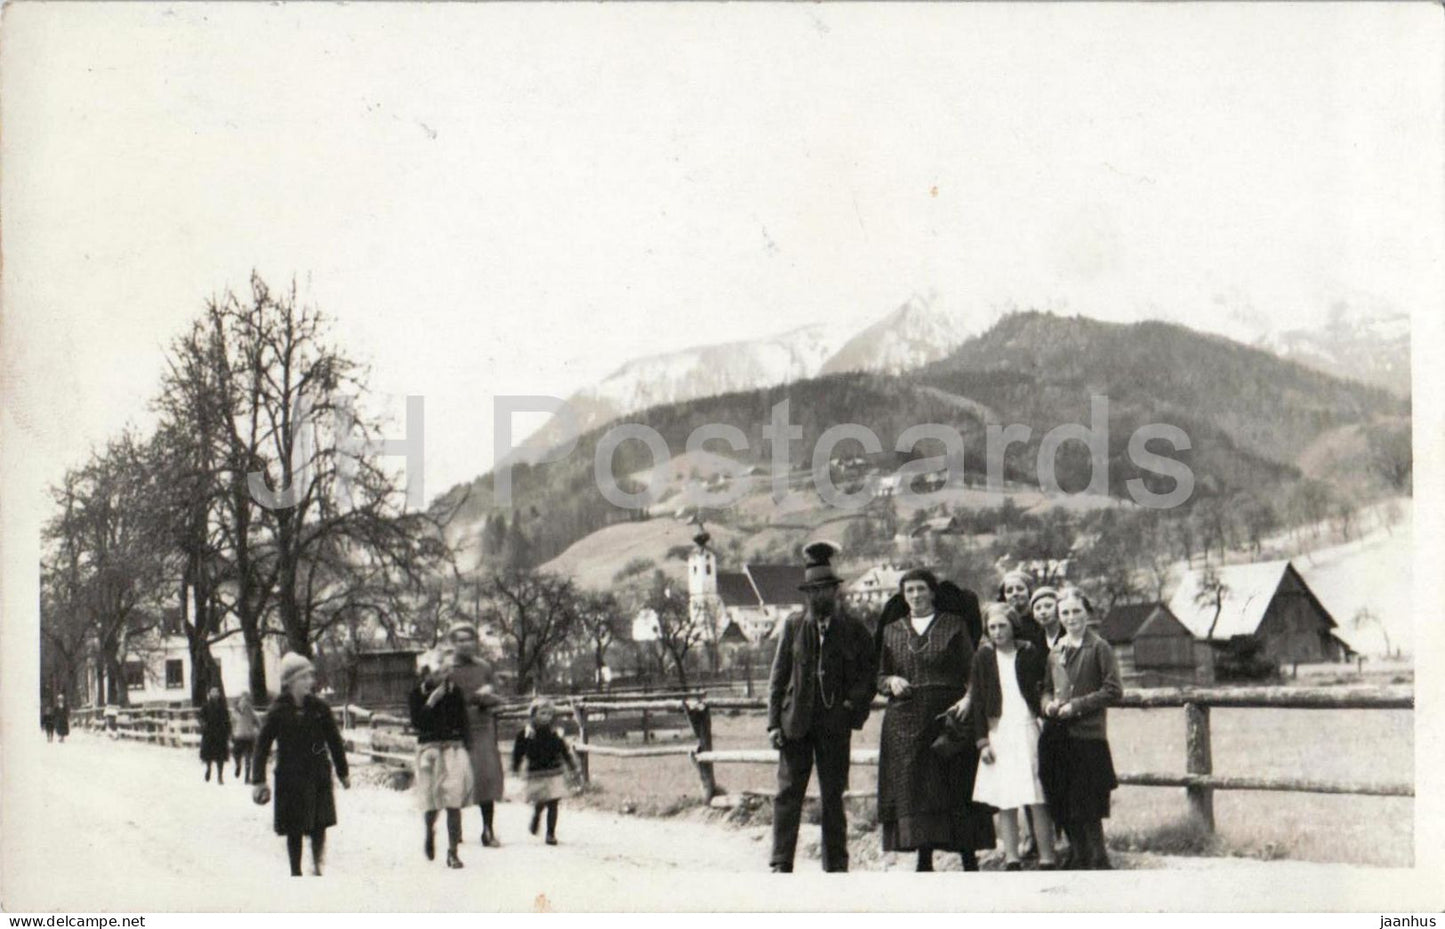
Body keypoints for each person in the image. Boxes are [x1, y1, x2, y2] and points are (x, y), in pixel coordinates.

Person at [767, 541, 876, 873]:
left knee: (832, 797)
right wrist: (773, 724)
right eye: (813, 590)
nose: (819, 596)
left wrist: (851, 706)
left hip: (834, 727)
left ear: (835, 591)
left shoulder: (854, 629)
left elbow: (868, 675)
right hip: (795, 724)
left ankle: (836, 866)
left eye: (824, 589)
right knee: (788, 794)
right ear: (807, 594)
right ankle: (781, 862)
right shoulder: (793, 626)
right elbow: (778, 676)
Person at [877, 568, 994, 871]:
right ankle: (924, 858)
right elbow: (879, 675)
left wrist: (968, 699)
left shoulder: (954, 625)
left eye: (921, 589)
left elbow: (973, 669)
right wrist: (891, 681)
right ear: (903, 596)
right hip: (906, 722)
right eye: (910, 590)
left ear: (932, 592)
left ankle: (968, 857)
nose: (916, 595)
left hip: (949, 717)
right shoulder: (892, 630)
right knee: (917, 790)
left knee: (956, 785)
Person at [970, 602, 1057, 870]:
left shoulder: (1028, 653)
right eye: (992, 627)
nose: (997, 632)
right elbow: (978, 701)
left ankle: (1047, 857)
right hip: (999, 732)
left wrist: (1044, 713)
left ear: (1013, 626)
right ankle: (1012, 858)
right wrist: (982, 742)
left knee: (1037, 796)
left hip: (1028, 728)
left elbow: (1042, 687)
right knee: (1005, 799)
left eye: (1002, 626)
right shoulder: (983, 657)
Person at [1039, 589, 1122, 870]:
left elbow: (1113, 689)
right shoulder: (1056, 650)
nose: (1071, 617)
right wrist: (1048, 705)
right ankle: (1078, 855)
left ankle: (1098, 858)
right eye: (1065, 612)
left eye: (1076, 611)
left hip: (1087, 735)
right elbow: (1046, 689)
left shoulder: (1099, 647)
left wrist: (1077, 706)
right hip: (1058, 736)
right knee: (1063, 798)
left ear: (1087, 613)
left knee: (1089, 803)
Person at [251, 653, 351, 877]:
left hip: (317, 774)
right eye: (304, 677)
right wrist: (258, 780)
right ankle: (295, 872)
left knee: (319, 824)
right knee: (293, 828)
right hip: (290, 778)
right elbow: (262, 745)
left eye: (310, 677)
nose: (310, 681)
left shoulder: (319, 708)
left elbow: (334, 741)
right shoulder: (278, 710)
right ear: (291, 681)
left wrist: (343, 772)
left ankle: (316, 866)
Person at [410, 647, 473, 868]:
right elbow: (418, 723)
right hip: (429, 752)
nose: (442, 677)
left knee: (453, 800)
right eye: (437, 673)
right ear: (425, 673)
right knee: (431, 801)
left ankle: (453, 852)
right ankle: (429, 830)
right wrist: (431, 702)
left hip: (453, 750)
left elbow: (463, 722)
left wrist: (467, 747)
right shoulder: (416, 694)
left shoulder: (455, 692)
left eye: (446, 672)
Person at [447, 621, 505, 847]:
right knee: (456, 779)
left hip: (482, 729)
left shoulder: (484, 667)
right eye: (460, 640)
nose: (466, 644)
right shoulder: (447, 669)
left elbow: (497, 695)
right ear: (453, 643)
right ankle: (455, 829)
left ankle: (487, 830)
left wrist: (489, 697)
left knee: (486, 777)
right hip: (456, 731)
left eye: (470, 639)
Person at [512, 697, 579, 846]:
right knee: (541, 799)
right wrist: (516, 766)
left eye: (549, 714)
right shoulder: (527, 733)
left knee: (553, 801)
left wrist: (571, 765)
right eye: (542, 713)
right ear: (533, 714)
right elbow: (518, 751)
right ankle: (536, 814)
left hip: (554, 770)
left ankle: (550, 833)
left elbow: (563, 750)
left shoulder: (555, 733)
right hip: (536, 772)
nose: (546, 717)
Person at [999, 569, 1048, 653]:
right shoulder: (1001, 623)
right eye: (1009, 591)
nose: (1015, 593)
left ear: (1029, 591)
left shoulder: (1040, 618)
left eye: (1020, 589)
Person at [199, 686, 232, 784]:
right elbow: (200, 717)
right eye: (213, 692)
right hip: (209, 734)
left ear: (218, 694)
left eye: (216, 692)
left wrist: (228, 731)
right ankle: (208, 769)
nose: (215, 694)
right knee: (208, 755)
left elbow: (227, 720)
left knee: (220, 757)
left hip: (220, 734)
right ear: (210, 694)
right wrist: (203, 725)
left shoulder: (222, 706)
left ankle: (220, 776)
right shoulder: (206, 706)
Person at [232, 691, 261, 783]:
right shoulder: (251, 710)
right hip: (249, 736)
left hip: (239, 736)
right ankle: (247, 778)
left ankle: (238, 764)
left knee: (236, 753)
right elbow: (258, 722)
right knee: (248, 758)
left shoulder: (236, 710)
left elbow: (233, 720)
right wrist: (258, 728)